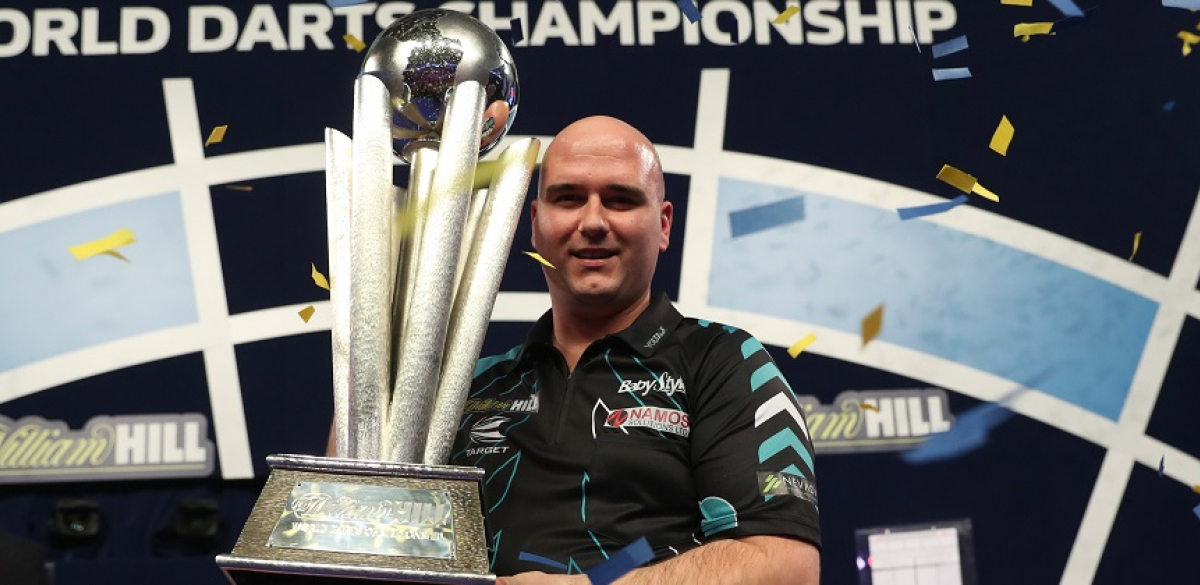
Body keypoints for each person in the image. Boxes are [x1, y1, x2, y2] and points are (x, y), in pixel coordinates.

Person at [450, 116, 820, 584]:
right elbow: (362, 529)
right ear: (535, 224)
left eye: (621, 200)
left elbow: (785, 568)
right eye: (568, 198)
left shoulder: (723, 362)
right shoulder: (470, 385)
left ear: (663, 225)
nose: (593, 222)